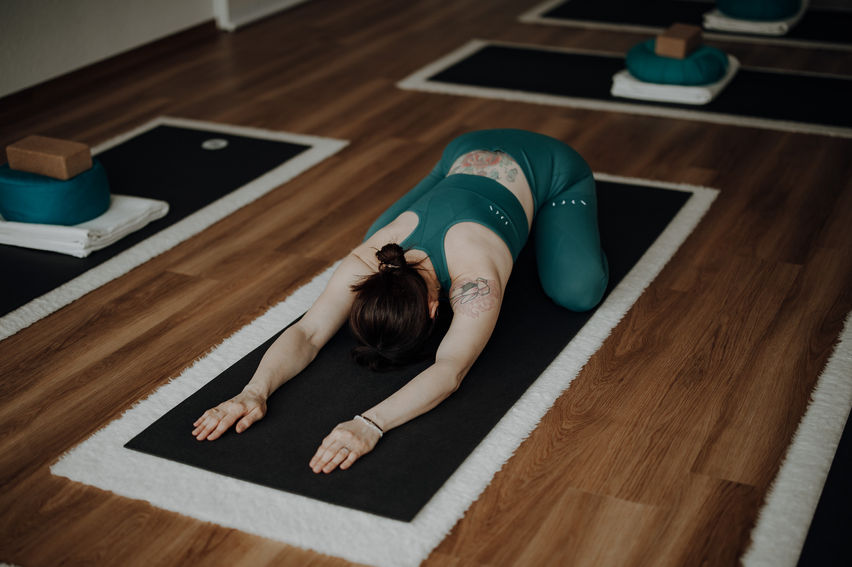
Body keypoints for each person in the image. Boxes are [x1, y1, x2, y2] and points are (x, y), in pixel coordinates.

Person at [191, 129, 609, 474]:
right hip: (462, 152)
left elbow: (450, 369)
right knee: (378, 227)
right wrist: (252, 392)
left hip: (549, 166)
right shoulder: (367, 258)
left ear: (434, 308)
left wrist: (371, 423)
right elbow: (307, 331)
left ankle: (548, 207)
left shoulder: (476, 279)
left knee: (578, 292)